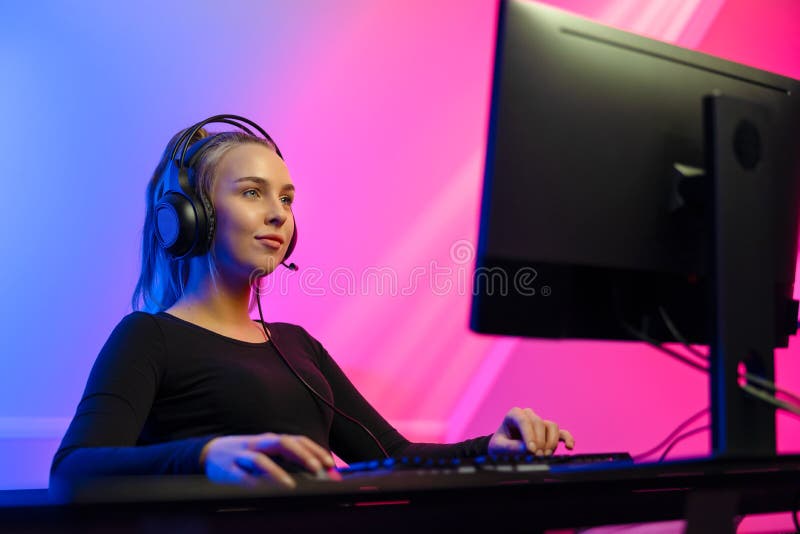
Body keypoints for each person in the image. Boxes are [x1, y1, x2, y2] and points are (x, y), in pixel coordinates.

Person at [50, 115, 575, 490]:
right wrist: (205, 455)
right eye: (252, 193)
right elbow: (73, 468)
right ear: (190, 216)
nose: (279, 213)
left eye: (286, 198)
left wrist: (491, 447)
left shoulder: (298, 345)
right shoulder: (149, 336)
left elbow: (393, 457)